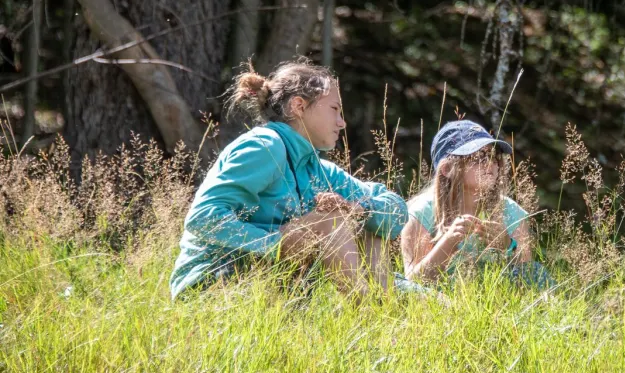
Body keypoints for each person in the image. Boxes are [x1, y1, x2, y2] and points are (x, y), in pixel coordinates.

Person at [170, 58, 417, 298]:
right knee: (330, 221)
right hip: (210, 285)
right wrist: (277, 245)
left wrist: (360, 210)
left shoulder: (317, 169)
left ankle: (382, 302)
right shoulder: (265, 147)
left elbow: (394, 210)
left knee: (370, 225)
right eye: (335, 109)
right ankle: (367, 307)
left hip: (268, 287)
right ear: (298, 106)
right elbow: (202, 219)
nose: (342, 123)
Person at [400, 120, 551, 287]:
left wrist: (506, 245)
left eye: (494, 156)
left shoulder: (511, 211)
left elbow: (528, 275)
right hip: (442, 302)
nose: (490, 164)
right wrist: (448, 243)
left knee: (537, 271)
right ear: (447, 169)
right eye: (478, 157)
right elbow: (414, 283)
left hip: (497, 301)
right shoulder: (421, 213)